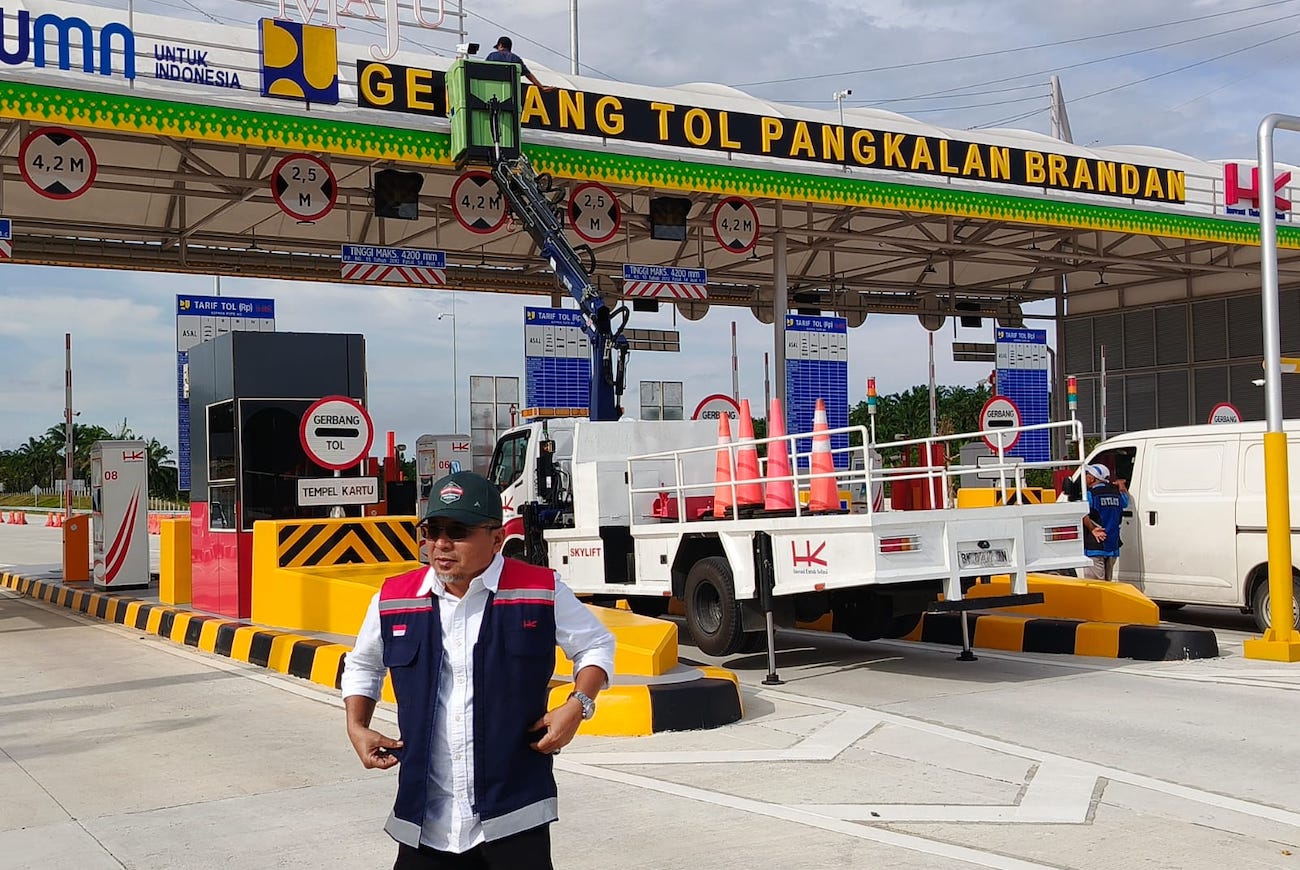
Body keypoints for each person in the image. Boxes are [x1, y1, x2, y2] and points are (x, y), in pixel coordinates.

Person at [342, 470, 615, 870]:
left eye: (458, 531)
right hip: (424, 820)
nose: (441, 544)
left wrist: (578, 705)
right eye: (432, 531)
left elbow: (596, 645)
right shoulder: (394, 598)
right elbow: (363, 665)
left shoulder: (540, 589)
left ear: (497, 538)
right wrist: (356, 725)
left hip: (515, 816)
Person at [1082, 463, 1129, 581]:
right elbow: (1125, 502)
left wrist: (1093, 529)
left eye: (1087, 474)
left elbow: (1082, 513)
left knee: (1095, 586)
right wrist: (1121, 485)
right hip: (1112, 546)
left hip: (1095, 547)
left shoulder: (1090, 495)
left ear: (1092, 478)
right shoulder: (1116, 494)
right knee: (1108, 584)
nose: (1085, 477)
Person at [484, 36, 550, 91]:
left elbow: (483, 70)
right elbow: (528, 75)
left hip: (492, 89)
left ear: (500, 45)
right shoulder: (516, 59)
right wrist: (542, 87)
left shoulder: (492, 56)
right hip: (512, 92)